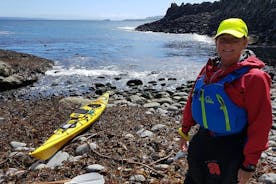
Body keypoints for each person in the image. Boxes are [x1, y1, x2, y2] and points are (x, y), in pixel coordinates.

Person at [178, 18, 272, 184]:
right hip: (203, 138)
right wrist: (184, 130)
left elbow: (261, 122)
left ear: (245, 42)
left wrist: (249, 164)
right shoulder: (209, 69)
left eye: (234, 40)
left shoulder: (253, 78)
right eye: (223, 40)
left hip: (232, 146)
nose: (227, 45)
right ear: (216, 42)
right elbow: (193, 99)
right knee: (193, 177)